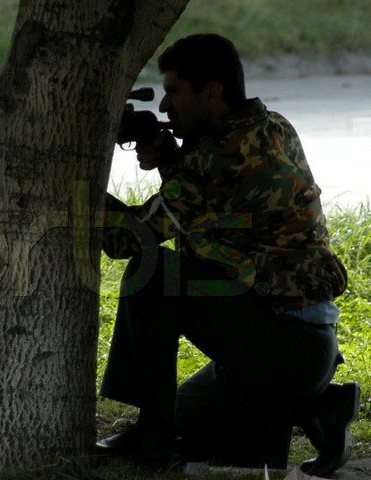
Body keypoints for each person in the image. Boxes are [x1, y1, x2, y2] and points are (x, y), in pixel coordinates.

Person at [97, 33, 360, 477]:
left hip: (281, 344)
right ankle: (317, 405)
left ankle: (153, 435)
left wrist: (77, 177)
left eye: (174, 92)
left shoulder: (216, 158)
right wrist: (170, 160)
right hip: (291, 340)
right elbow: (212, 214)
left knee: (154, 272)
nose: (164, 108)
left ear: (213, 92)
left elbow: (127, 241)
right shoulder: (270, 125)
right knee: (201, 438)